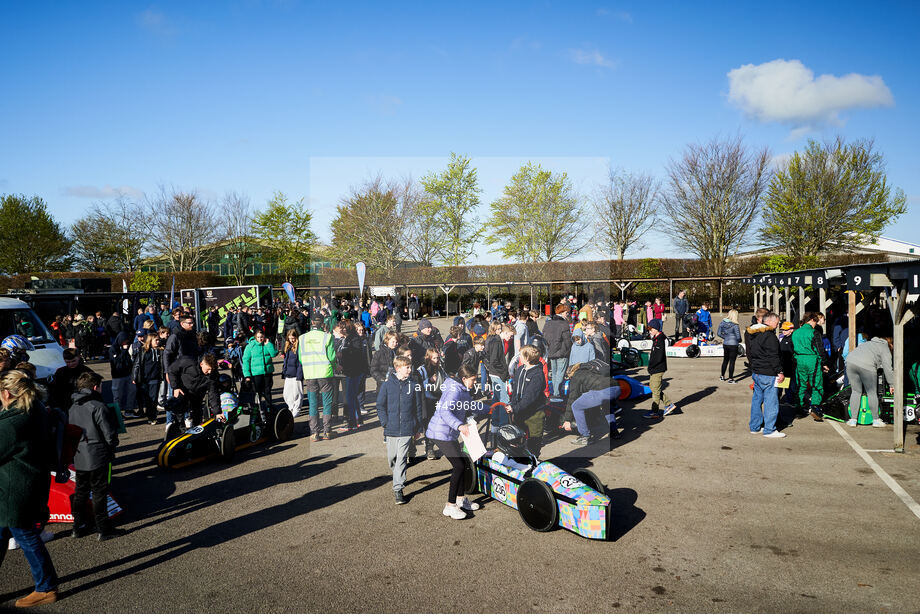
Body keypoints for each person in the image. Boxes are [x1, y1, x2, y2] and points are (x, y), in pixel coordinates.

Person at [0, 370, 59, 607]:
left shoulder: (14, 423)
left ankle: (46, 587)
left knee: (26, 537)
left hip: (14, 490)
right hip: (25, 484)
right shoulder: (35, 409)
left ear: (6, 394)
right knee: (3, 534)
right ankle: (46, 585)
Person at [425, 364, 490, 520]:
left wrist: (489, 408)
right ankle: (450, 505)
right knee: (459, 466)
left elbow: (469, 405)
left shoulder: (462, 389)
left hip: (449, 434)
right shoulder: (454, 391)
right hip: (440, 433)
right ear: (464, 378)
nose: (474, 383)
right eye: (473, 380)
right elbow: (444, 411)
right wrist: (459, 425)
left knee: (462, 464)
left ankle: (461, 500)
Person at [68, 371, 121, 540]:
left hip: (79, 454)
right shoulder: (98, 407)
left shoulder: (73, 406)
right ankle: (103, 529)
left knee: (81, 491)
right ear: (95, 387)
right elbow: (110, 435)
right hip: (97, 454)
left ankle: (78, 525)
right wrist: (112, 446)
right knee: (99, 492)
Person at [377, 356, 424, 505]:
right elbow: (380, 405)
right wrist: (385, 422)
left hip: (407, 428)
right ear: (398, 368)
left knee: (402, 459)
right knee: (392, 458)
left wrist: (418, 427)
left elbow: (418, 408)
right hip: (390, 428)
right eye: (407, 367)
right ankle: (398, 475)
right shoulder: (386, 385)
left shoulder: (414, 385)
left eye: (410, 367)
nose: (410, 370)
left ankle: (398, 488)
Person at [746, 312, 786, 438]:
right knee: (771, 401)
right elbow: (773, 356)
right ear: (769, 321)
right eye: (777, 322)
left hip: (757, 371)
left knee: (757, 400)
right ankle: (769, 429)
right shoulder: (770, 336)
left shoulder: (754, 335)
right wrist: (780, 371)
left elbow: (751, 353)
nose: (778, 324)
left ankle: (755, 427)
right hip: (768, 373)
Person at [298, 315, 336, 441]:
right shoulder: (327, 337)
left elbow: (300, 358)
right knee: (326, 402)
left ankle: (314, 432)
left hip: (310, 374)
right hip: (325, 374)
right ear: (322, 324)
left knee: (313, 404)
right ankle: (327, 431)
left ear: (312, 322)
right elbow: (331, 357)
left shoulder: (302, 338)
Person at [845, 336, 894, 428]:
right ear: (890, 344)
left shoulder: (868, 343)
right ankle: (875, 420)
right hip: (867, 366)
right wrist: (892, 384)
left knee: (856, 391)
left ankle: (853, 420)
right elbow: (888, 368)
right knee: (871, 393)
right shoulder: (885, 348)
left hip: (850, 362)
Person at [507, 345, 547, 457]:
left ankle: (534, 463)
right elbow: (515, 391)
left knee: (534, 442)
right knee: (518, 440)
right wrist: (512, 404)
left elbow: (530, 397)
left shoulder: (537, 374)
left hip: (535, 414)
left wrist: (515, 407)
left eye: (520, 355)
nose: (518, 357)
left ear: (527, 358)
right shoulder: (520, 369)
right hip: (520, 411)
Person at [792, 312, 828, 421]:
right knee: (816, 384)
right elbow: (820, 349)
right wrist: (824, 363)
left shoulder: (796, 332)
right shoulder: (814, 332)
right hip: (812, 359)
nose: (816, 323)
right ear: (812, 320)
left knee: (801, 385)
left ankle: (799, 408)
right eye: (815, 321)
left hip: (799, 359)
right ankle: (815, 407)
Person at [643, 319, 678, 419]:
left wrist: (651, 367)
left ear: (656, 329)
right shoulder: (657, 339)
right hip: (656, 368)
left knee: (655, 389)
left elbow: (658, 358)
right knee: (654, 388)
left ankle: (655, 411)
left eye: (651, 329)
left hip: (657, 369)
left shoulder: (659, 340)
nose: (649, 331)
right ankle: (668, 404)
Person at [242, 330, 278, 423]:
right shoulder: (250, 346)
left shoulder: (267, 344)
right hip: (256, 374)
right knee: (257, 393)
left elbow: (274, 354)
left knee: (267, 391)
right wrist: (247, 375)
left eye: (261, 337)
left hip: (267, 372)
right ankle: (257, 410)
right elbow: (246, 361)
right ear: (255, 337)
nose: (260, 339)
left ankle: (269, 409)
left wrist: (268, 344)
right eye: (258, 337)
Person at [418, 348, 446, 459]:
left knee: (438, 424)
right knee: (429, 425)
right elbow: (419, 385)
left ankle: (436, 445)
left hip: (438, 398)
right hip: (427, 400)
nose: (436, 360)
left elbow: (445, 378)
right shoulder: (422, 370)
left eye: (437, 357)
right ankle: (429, 449)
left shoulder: (440, 368)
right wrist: (429, 381)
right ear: (428, 358)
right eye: (434, 358)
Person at [48, 348, 95, 413]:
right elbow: (55, 390)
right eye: (68, 362)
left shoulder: (86, 371)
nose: (71, 364)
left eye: (73, 361)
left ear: (78, 357)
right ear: (64, 360)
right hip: (65, 405)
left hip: (84, 404)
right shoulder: (60, 372)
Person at [132, 332, 163, 425]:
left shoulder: (160, 351)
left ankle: (152, 417)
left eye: (158, 340)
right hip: (144, 379)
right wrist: (134, 376)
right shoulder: (143, 351)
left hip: (155, 378)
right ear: (150, 341)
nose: (158, 342)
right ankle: (146, 413)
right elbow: (137, 364)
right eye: (156, 340)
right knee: (146, 398)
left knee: (153, 399)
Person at [542, 304, 572, 397]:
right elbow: (567, 340)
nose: (567, 315)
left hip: (550, 351)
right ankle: (556, 393)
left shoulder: (548, 323)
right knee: (560, 373)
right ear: (562, 313)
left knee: (554, 373)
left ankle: (554, 392)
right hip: (562, 352)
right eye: (567, 313)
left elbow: (544, 337)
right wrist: (568, 349)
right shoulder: (564, 324)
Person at [280, 330, 304, 419]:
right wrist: (284, 371)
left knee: (297, 393)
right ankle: (290, 407)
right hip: (288, 374)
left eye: (293, 338)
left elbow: (300, 362)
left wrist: (299, 375)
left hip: (296, 374)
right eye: (290, 338)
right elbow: (285, 361)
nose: (292, 340)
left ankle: (297, 409)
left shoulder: (299, 347)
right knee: (286, 393)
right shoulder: (288, 346)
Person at [716, 309, 742, 383]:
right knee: (732, 362)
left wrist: (725, 337)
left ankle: (722, 376)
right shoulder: (735, 325)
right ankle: (731, 378)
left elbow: (718, 333)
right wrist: (739, 341)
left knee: (725, 360)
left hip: (726, 343)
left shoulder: (722, 323)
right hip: (733, 344)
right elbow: (738, 337)